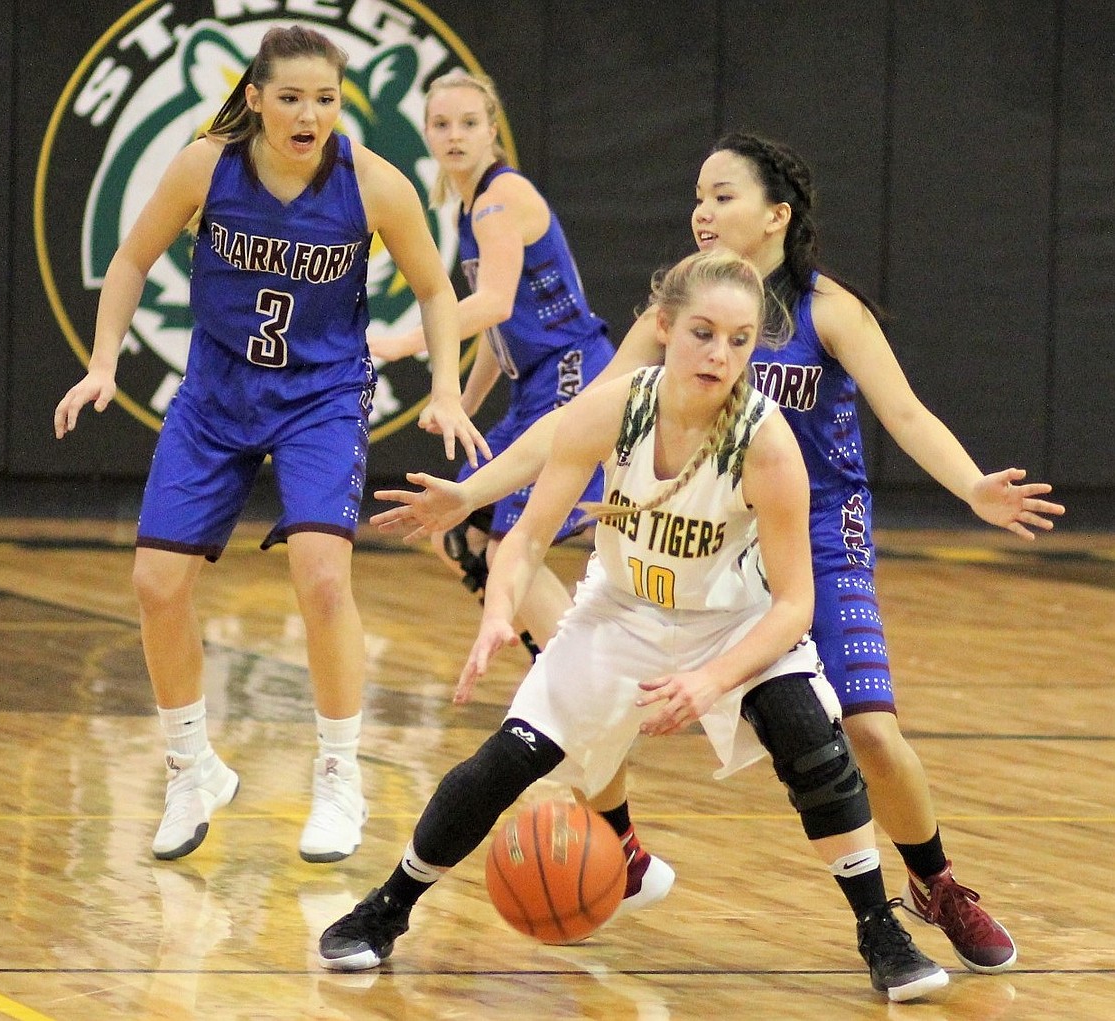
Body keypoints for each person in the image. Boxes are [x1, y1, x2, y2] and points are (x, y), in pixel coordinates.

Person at [368, 132, 1066, 973]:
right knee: (592, 697)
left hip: (811, 534)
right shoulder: (679, 314)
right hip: (702, 535)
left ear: (777, 215)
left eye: (724, 194)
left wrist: (972, 488)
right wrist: (473, 494)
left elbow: (907, 415)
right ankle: (618, 847)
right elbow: (577, 421)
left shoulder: (827, 309)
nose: (702, 210)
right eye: (698, 194)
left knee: (868, 732)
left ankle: (935, 883)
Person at [319, 248, 951, 1003]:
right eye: (704, 333)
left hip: (733, 621)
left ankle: (881, 927)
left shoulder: (768, 442)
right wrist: (496, 612)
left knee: (811, 739)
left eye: (741, 339)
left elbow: (793, 607)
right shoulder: (615, 407)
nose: (721, 354)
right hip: (620, 613)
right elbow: (525, 538)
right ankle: (386, 907)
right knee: (505, 761)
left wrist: (712, 679)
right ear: (664, 326)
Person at [53, 26, 487, 865]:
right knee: (154, 582)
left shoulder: (371, 183)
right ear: (254, 99)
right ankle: (191, 766)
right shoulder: (205, 165)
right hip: (216, 394)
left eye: (325, 99)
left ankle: (337, 772)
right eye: (291, 97)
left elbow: (435, 289)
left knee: (323, 575)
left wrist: (441, 386)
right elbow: (134, 257)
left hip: (321, 397)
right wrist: (104, 360)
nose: (309, 114)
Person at [369, 70, 673, 908]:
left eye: (469, 121)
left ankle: (572, 666)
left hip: (574, 376)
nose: (455, 134)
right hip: (532, 379)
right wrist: (459, 408)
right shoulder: (473, 210)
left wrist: (401, 343)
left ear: (492, 129)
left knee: (507, 538)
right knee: (450, 523)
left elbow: (492, 300)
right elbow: (500, 336)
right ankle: (556, 647)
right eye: (441, 123)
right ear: (427, 135)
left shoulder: (502, 199)